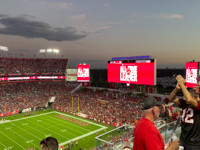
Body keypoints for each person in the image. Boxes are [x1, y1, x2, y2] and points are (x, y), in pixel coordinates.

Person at [169, 75, 200, 150]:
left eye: (185, 96)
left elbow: (189, 99)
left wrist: (182, 84)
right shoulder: (185, 103)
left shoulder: (197, 103)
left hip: (194, 142)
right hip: (183, 139)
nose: (184, 98)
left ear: (195, 97)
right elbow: (171, 98)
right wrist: (177, 88)